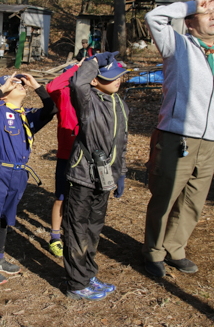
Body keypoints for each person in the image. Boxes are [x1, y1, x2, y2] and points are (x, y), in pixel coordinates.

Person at [142, 0, 214, 277]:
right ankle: (153, 252)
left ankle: (175, 248)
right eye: (206, 13)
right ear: (191, 22)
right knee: (166, 197)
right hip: (176, 136)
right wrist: (191, 4)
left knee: (193, 200)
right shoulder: (177, 46)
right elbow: (153, 18)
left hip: (209, 142)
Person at [0, 73, 57, 285]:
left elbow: (52, 110)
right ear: (3, 94)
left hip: (19, 174)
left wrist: (37, 87)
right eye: (15, 84)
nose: (20, 85)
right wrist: (2, 88)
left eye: (20, 83)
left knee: (5, 217)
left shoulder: (26, 115)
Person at [62, 52, 128, 301]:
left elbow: (122, 142)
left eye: (120, 76)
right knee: (77, 229)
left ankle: (88, 274)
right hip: (82, 177)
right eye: (111, 77)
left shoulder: (120, 104)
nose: (117, 81)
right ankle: (76, 283)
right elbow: (77, 82)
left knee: (93, 229)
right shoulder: (88, 99)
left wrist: (120, 173)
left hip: (105, 178)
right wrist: (94, 61)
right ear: (94, 80)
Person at [45, 61, 83, 258]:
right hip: (65, 155)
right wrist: (74, 68)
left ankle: (75, 234)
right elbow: (51, 86)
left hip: (84, 156)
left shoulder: (89, 95)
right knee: (60, 197)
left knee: (79, 199)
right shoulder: (64, 94)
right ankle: (55, 237)